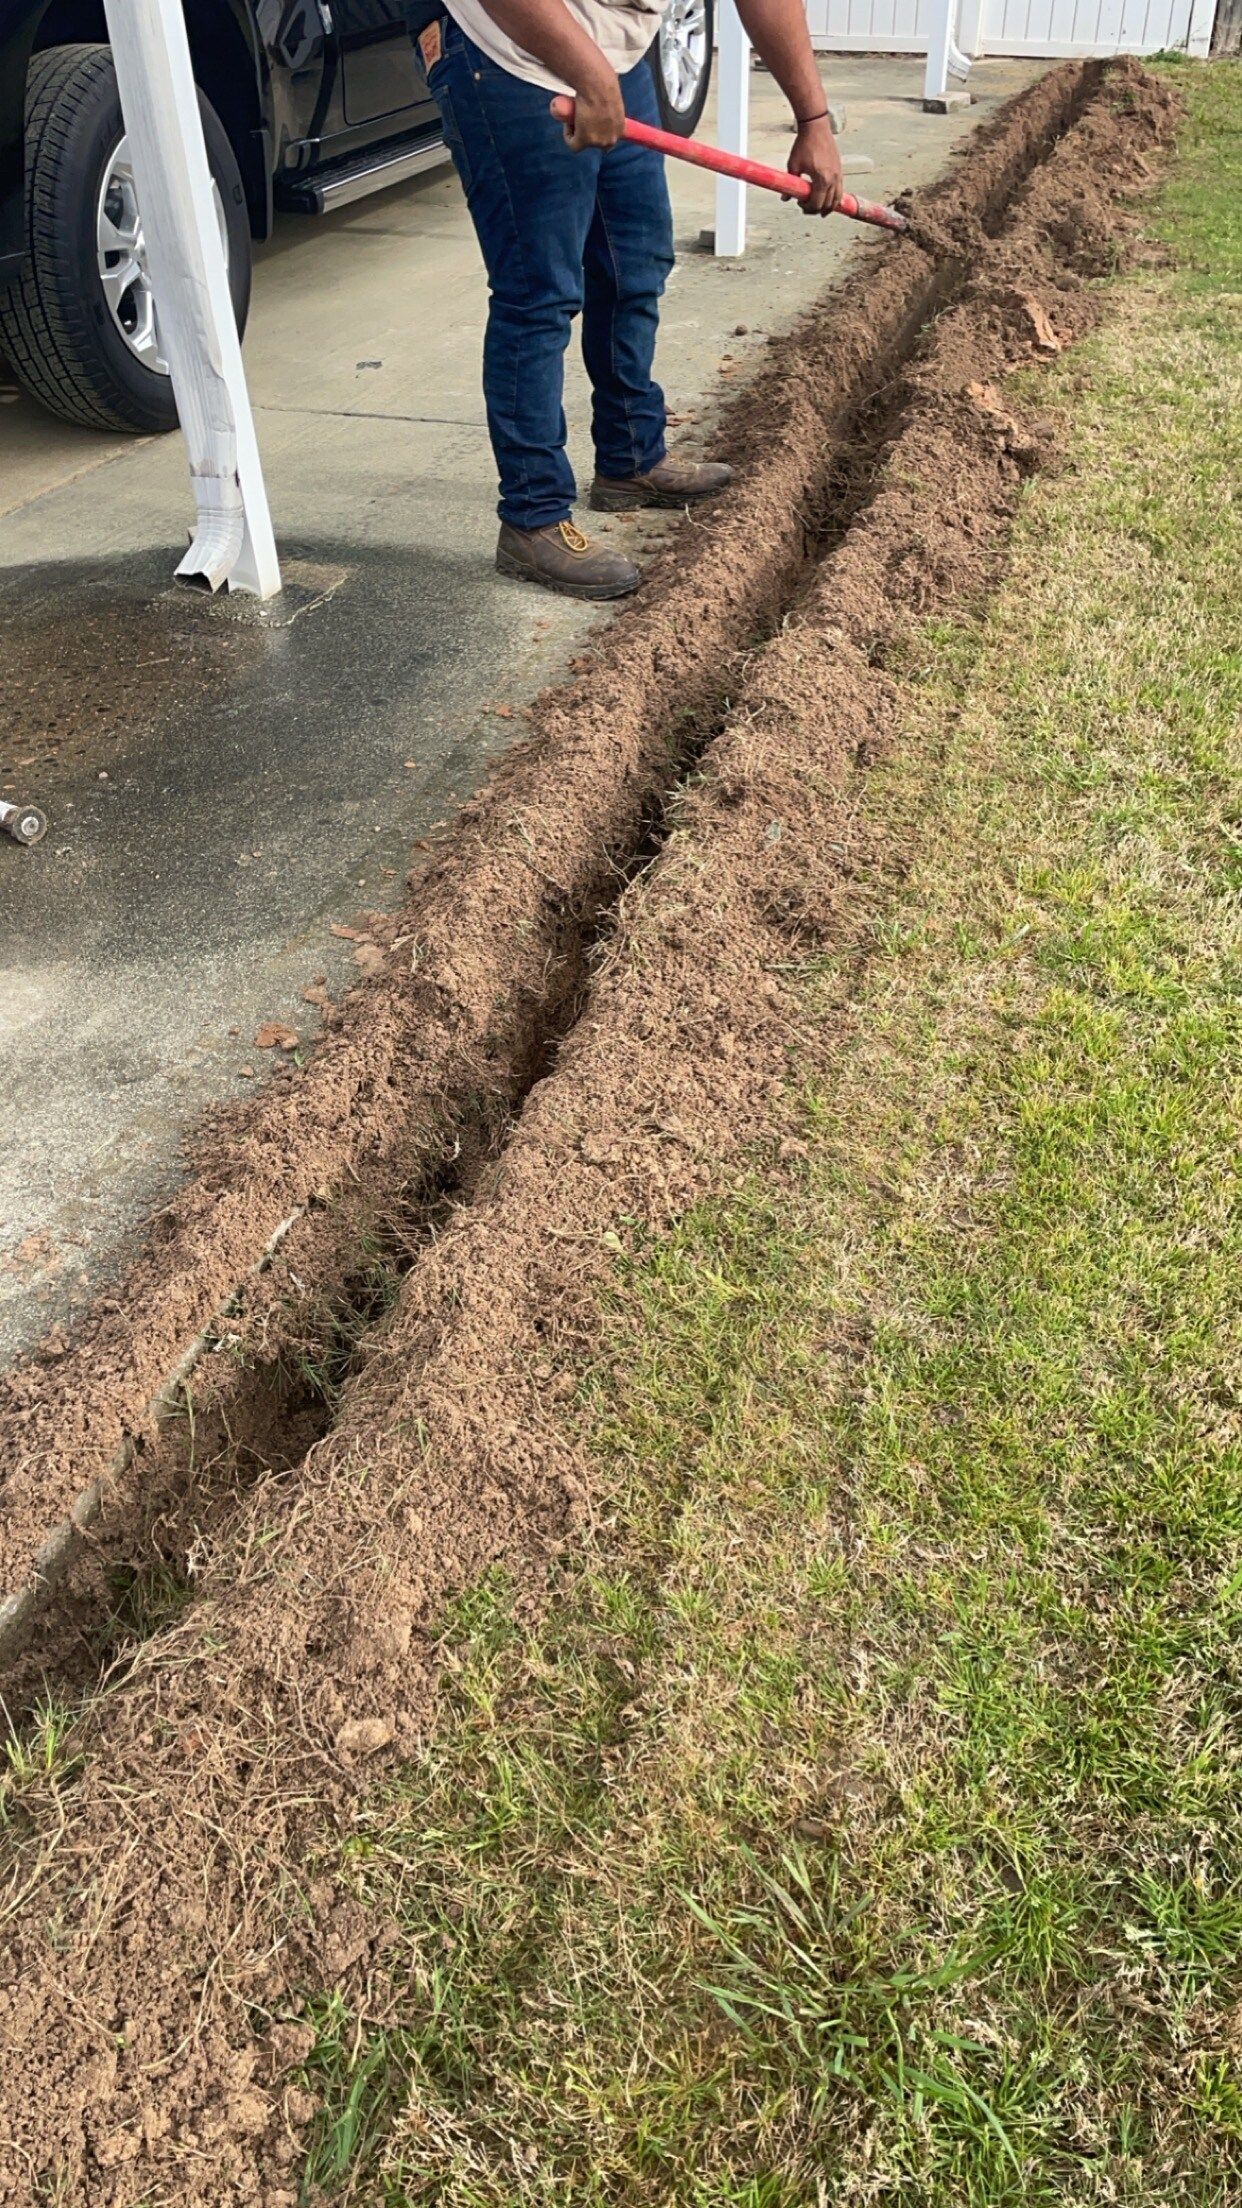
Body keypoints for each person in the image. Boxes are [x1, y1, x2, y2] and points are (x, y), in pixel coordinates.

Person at [409, 0, 842, 599]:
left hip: (617, 51)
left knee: (633, 260)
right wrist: (588, 74)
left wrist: (813, 117)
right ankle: (532, 518)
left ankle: (630, 459)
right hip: (506, 49)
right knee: (539, 290)